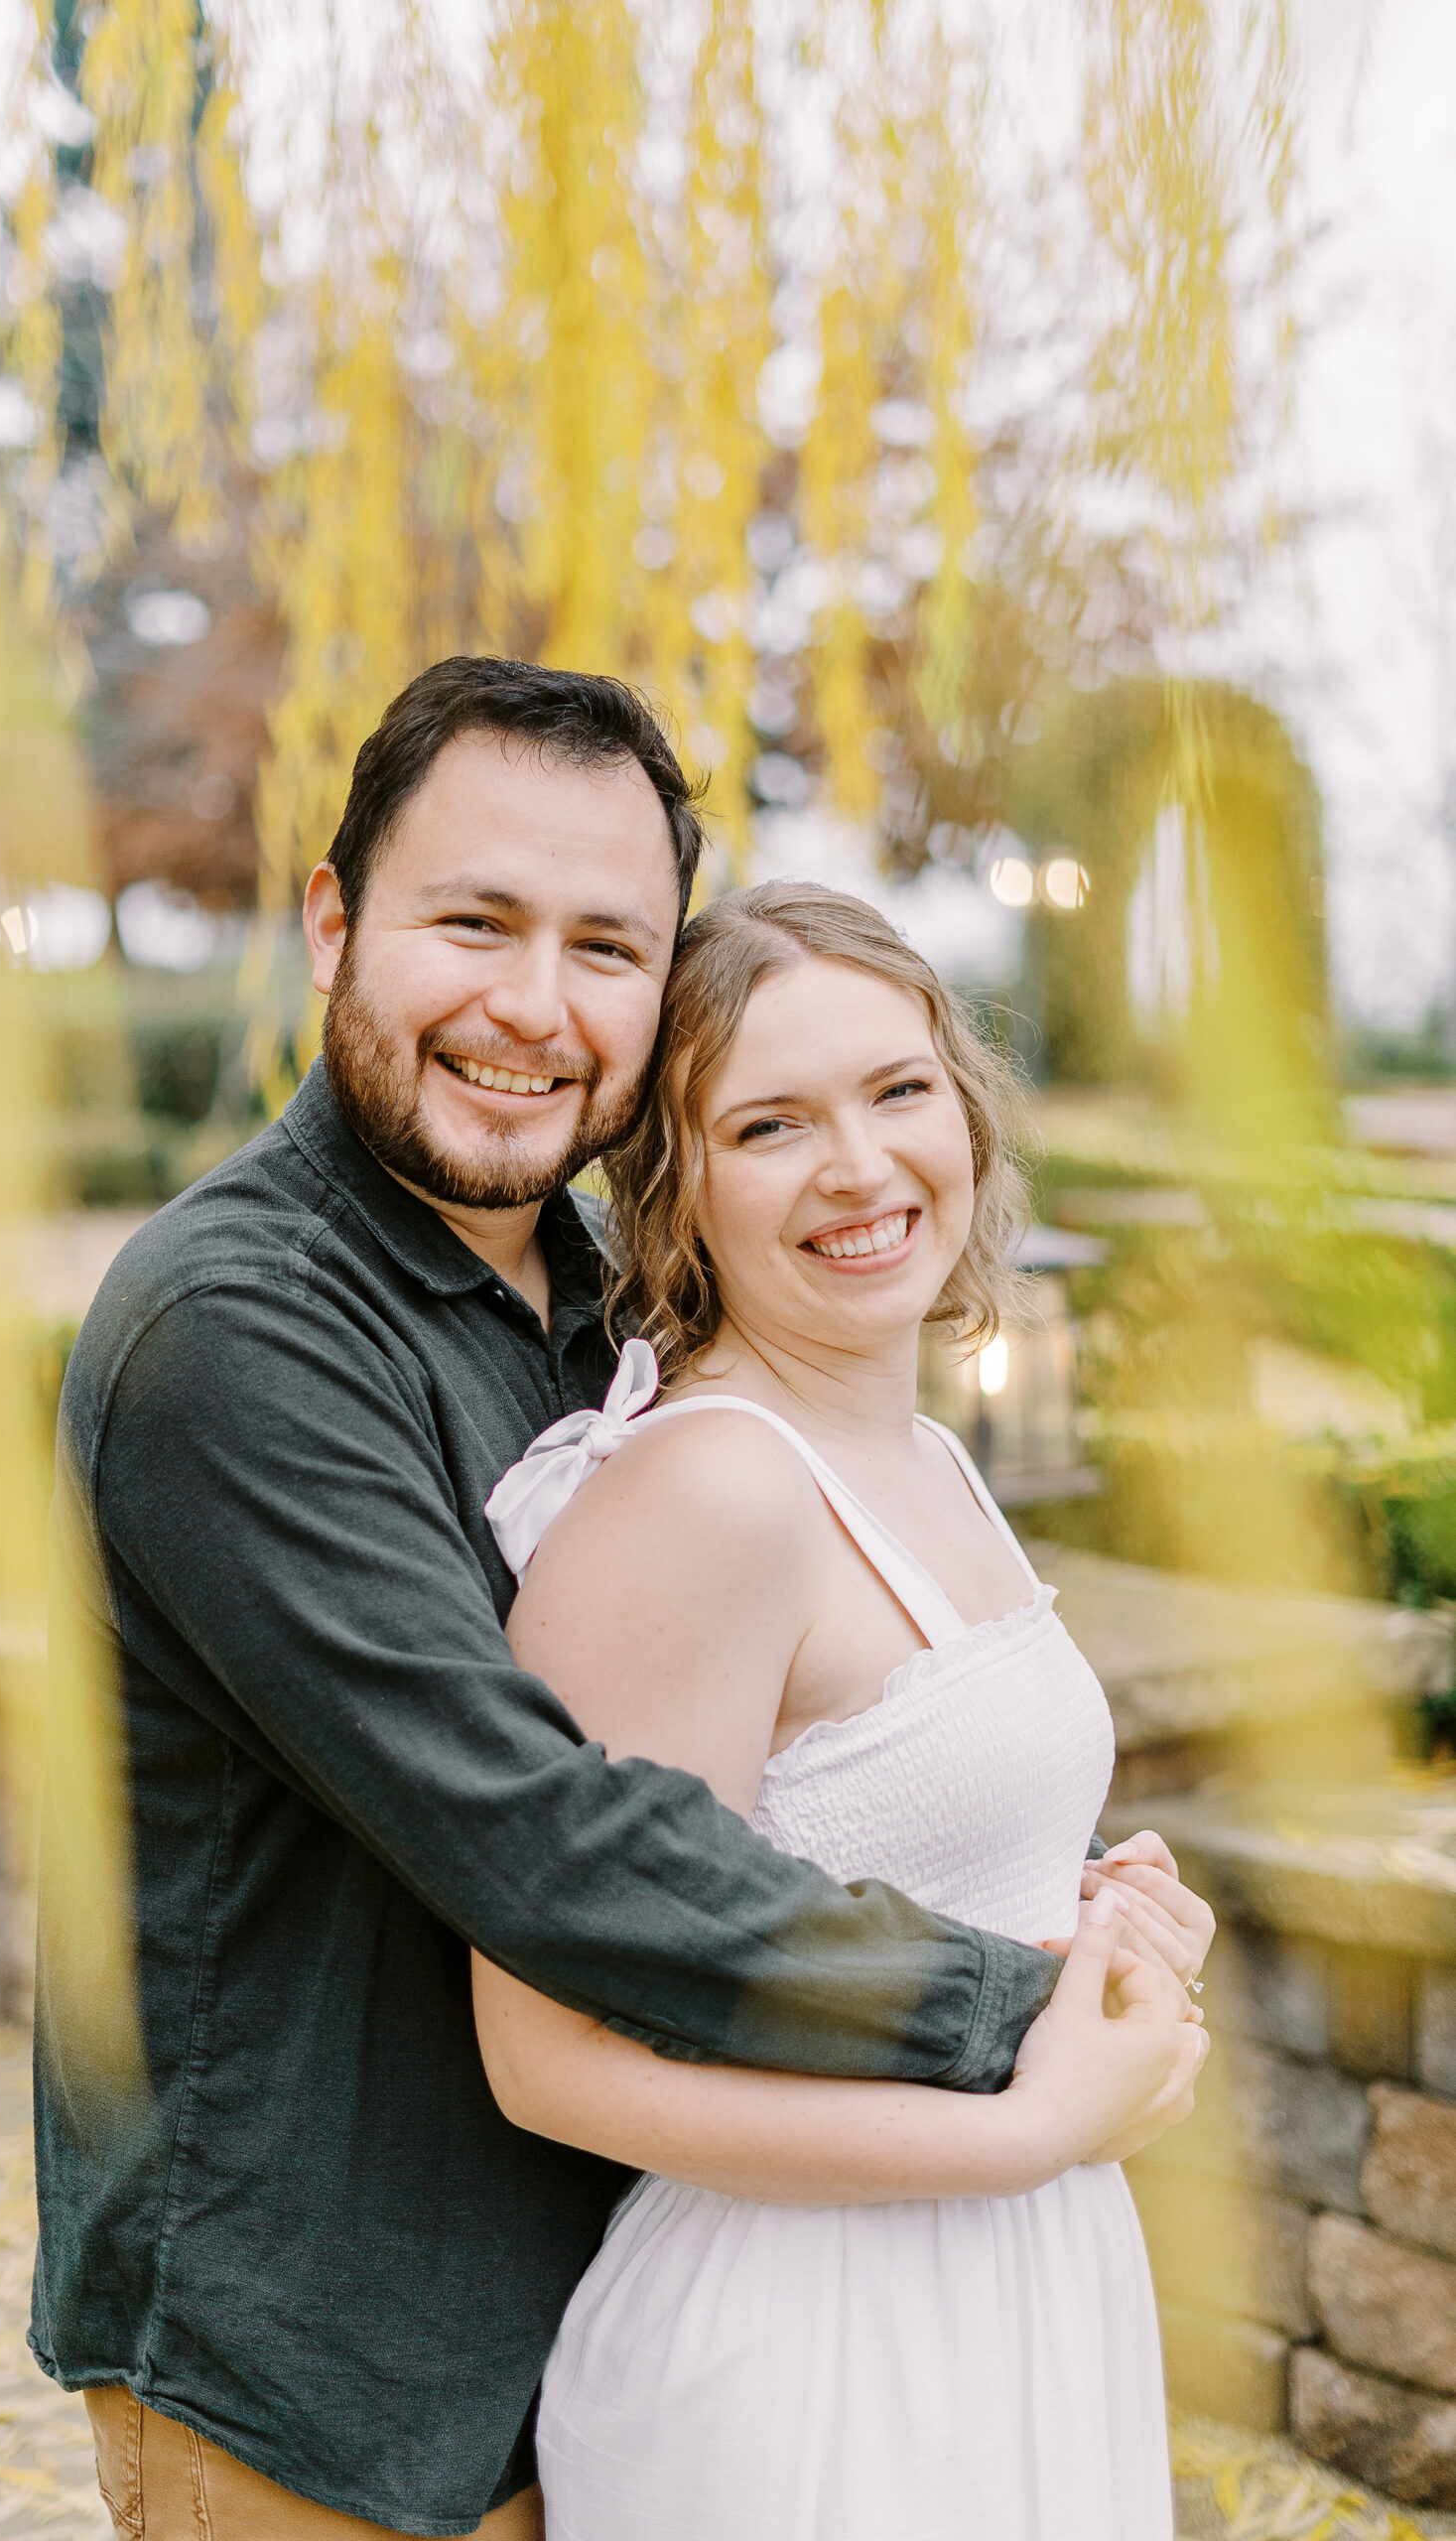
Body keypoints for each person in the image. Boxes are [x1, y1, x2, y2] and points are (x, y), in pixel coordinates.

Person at [33, 657, 1205, 2540]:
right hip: (316, 2359)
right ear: (334, 923)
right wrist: (1025, 2020)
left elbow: (775, 1740)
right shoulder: (235, 1334)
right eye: (471, 923)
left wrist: (1056, 1901)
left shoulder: (588, 1298)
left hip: (561, 2309)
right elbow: (556, 1841)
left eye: (604, 945)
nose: (533, 1003)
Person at [474, 879, 1210, 2540]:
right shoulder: (705, 1493)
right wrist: (1023, 2134)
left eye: (896, 1090)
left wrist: (1095, 1916)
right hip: (802, 2362)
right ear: (681, 1191)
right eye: (770, 1124)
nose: (863, 1169)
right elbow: (549, 2060)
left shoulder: (924, 1449)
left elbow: (869, 1865)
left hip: (1020, 2285)